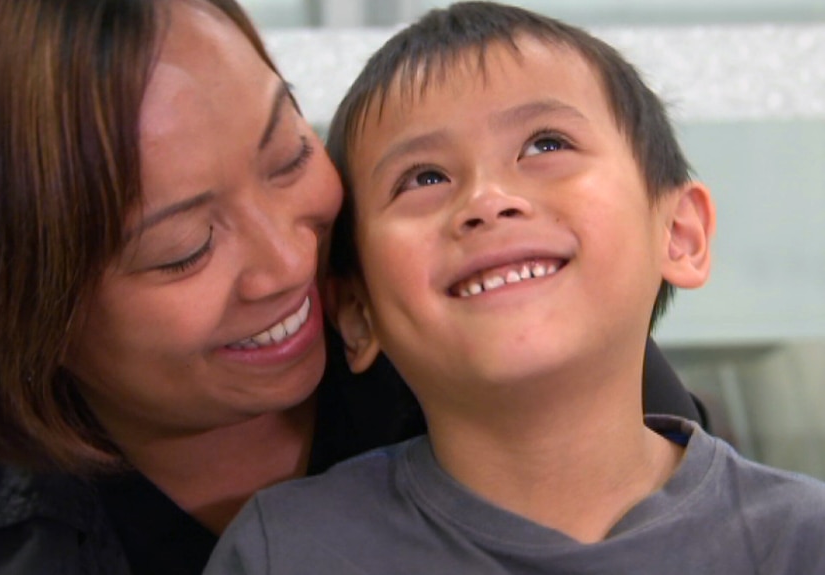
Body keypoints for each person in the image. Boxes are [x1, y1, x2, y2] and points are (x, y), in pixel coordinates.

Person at [0, 0, 704, 573]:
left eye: (287, 155)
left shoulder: (485, 334)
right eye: (182, 249)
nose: (292, 262)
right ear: (22, 309)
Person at [203, 3, 825, 574]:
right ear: (358, 315)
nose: (487, 200)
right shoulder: (285, 553)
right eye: (423, 177)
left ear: (679, 235)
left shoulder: (801, 540)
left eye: (546, 144)